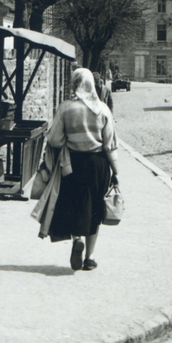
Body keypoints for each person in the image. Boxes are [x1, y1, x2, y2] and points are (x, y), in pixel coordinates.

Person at [41, 68, 119, 272]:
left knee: (75, 205)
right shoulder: (103, 109)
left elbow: (55, 139)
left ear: (74, 84)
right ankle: (90, 258)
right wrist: (116, 172)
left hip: (73, 164)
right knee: (94, 209)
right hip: (98, 164)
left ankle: (77, 239)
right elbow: (110, 144)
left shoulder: (65, 108)